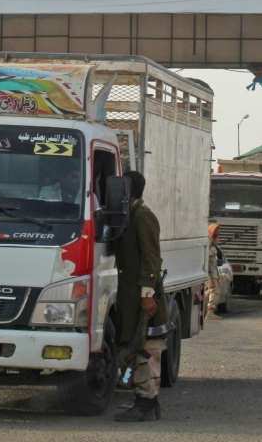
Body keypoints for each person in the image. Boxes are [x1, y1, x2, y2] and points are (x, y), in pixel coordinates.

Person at [114, 170, 168, 422]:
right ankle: (146, 400)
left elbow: (151, 258)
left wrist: (147, 294)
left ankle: (146, 403)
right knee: (133, 349)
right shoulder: (130, 215)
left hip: (142, 297)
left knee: (144, 349)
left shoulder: (142, 217)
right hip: (131, 297)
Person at [205, 223, 222, 320]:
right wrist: (213, 250)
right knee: (215, 291)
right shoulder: (208, 242)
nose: (218, 232)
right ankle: (210, 313)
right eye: (216, 230)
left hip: (212, 273)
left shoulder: (213, 242)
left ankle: (198, 299)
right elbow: (204, 255)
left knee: (212, 290)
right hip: (207, 272)